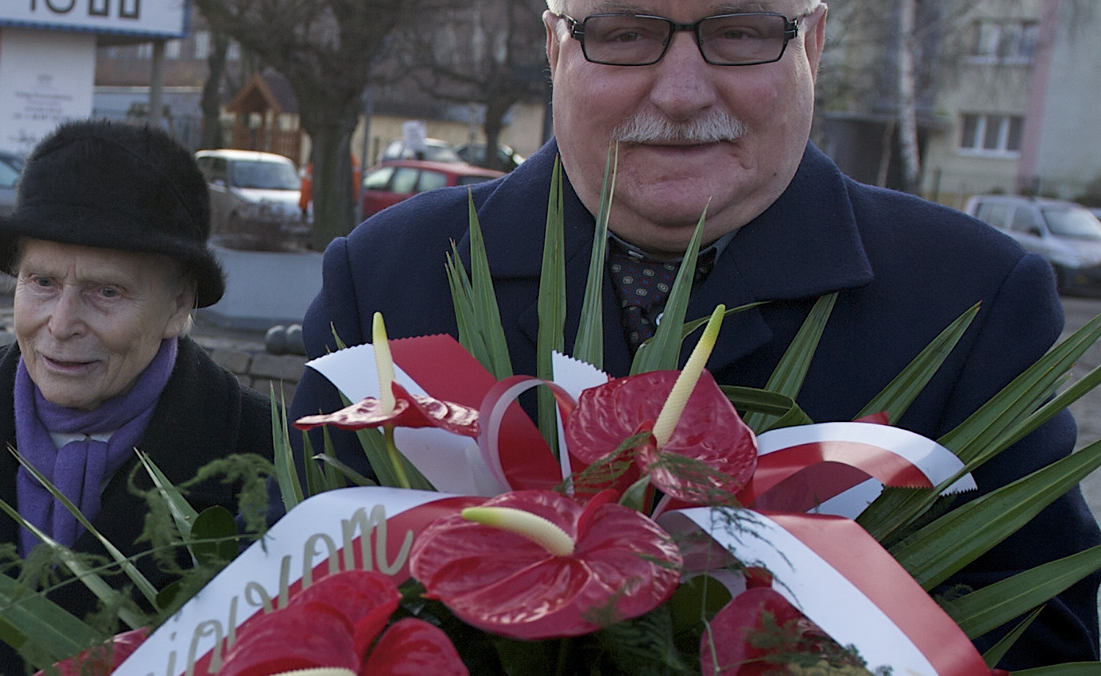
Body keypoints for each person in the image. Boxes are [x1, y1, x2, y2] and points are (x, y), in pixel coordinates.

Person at [289, 0, 1101, 669]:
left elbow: (1040, 639)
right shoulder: (391, 278)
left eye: (741, 31)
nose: (680, 93)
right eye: (624, 33)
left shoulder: (970, 301)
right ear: (554, 44)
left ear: (810, 43)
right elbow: (294, 591)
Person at [0, 120, 273, 675]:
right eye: (42, 282)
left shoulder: (263, 460)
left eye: (106, 291)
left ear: (178, 304)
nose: (62, 323)